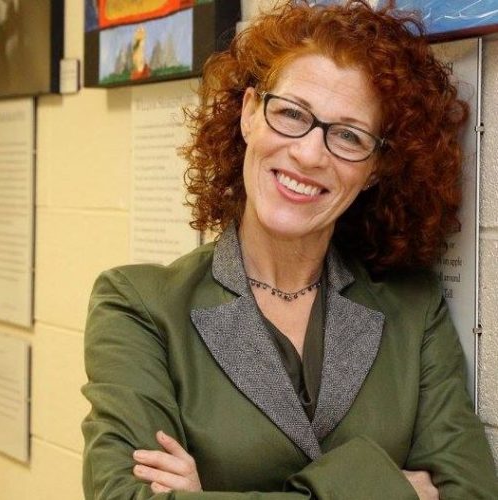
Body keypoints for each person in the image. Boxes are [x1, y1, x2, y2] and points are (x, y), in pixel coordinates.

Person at [82, 1, 498, 498]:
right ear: (250, 114)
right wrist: (385, 488)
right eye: (291, 114)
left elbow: (471, 491)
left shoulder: (413, 307)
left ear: (377, 168)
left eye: (348, 135)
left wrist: (206, 492)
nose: (307, 153)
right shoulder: (139, 305)